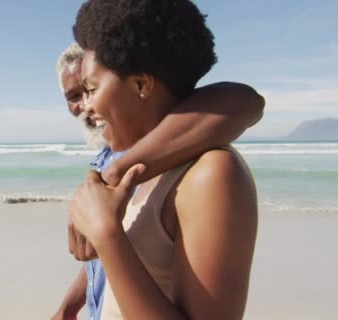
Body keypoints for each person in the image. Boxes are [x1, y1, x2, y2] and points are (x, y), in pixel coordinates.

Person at [68, 0, 258, 319]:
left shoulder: (211, 173)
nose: (86, 107)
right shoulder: (137, 166)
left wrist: (105, 233)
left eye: (91, 88)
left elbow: (245, 100)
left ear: (141, 84)